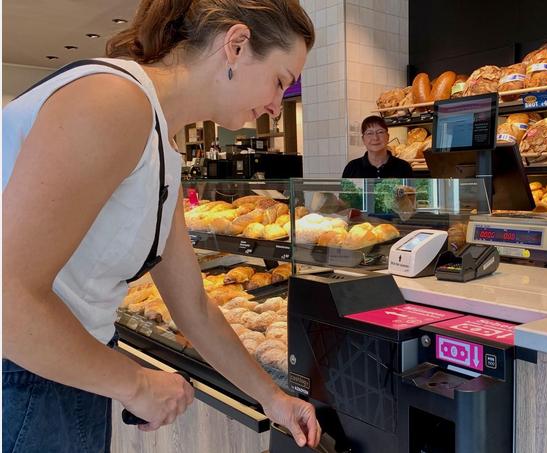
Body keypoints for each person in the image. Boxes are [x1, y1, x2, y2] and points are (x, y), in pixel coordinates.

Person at [2, 0, 321, 451]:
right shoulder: (112, 100)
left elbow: (192, 304)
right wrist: (136, 386)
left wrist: (273, 398)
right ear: (236, 44)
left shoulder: (160, 141)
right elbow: (7, 296)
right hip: (24, 372)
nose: (276, 105)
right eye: (280, 81)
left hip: (64, 366)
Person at [342, 115, 414, 178]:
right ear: (363, 139)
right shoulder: (352, 168)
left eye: (380, 132)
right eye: (369, 133)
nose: (375, 138)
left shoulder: (404, 167)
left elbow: (410, 193)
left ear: (388, 137)